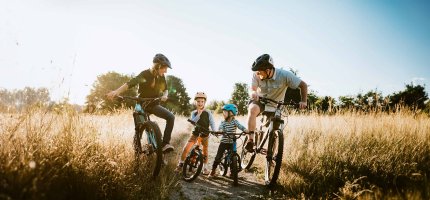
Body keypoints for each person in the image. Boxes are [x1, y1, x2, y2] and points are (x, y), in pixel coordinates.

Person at [106, 53, 175, 152]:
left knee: (171, 117)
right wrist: (117, 91)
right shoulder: (145, 74)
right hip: (142, 104)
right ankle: (137, 153)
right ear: (158, 66)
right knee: (138, 129)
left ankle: (165, 144)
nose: (166, 71)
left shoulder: (161, 77)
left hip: (154, 104)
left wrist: (165, 95)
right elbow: (130, 83)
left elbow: (166, 89)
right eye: (164, 68)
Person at [245, 54, 308, 152]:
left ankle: (271, 157)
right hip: (260, 101)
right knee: (252, 109)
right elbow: (252, 89)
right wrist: (253, 93)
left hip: (276, 105)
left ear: (268, 70)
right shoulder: (256, 74)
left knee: (274, 131)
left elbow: (303, 85)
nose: (257, 73)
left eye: (260, 71)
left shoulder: (284, 75)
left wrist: (303, 101)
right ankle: (250, 140)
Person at [176, 92, 216, 175]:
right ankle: (181, 164)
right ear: (195, 102)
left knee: (205, 151)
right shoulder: (193, 112)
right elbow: (193, 122)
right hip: (195, 134)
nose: (200, 103)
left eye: (202, 101)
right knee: (186, 148)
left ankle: (205, 168)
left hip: (205, 134)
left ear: (205, 102)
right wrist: (199, 114)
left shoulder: (208, 112)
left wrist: (214, 130)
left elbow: (212, 122)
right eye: (198, 101)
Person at [208, 104, 249, 177]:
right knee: (218, 157)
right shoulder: (223, 122)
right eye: (223, 112)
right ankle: (213, 170)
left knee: (233, 156)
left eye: (225, 112)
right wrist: (220, 131)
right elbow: (220, 128)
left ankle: (232, 172)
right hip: (224, 142)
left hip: (232, 142)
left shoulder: (235, 122)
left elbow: (240, 126)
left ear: (231, 113)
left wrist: (245, 130)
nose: (223, 113)